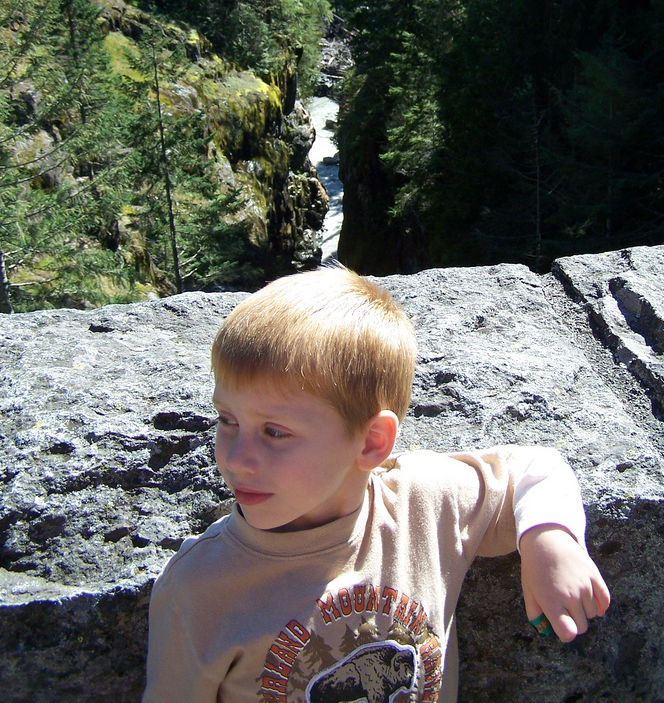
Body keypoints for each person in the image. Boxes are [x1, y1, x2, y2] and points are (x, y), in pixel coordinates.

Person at [142, 265, 610, 703]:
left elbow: (536, 469)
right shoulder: (199, 589)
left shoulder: (423, 504)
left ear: (371, 442)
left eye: (275, 432)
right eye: (227, 420)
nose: (236, 460)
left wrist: (550, 538)